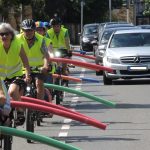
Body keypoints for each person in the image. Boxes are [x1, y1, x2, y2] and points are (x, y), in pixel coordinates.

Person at [0, 23, 31, 124]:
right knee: (2, 98)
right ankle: (5, 117)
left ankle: (20, 111)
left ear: (11, 35)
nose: (4, 36)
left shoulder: (17, 45)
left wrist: (27, 75)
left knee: (12, 92)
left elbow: (26, 63)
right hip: (1, 79)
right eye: (1, 34)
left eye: (6, 34)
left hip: (16, 76)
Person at [17, 19, 49, 101]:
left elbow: (46, 55)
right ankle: (20, 109)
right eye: (26, 30)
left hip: (38, 69)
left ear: (34, 30)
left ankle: (39, 106)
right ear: (22, 30)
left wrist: (45, 66)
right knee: (19, 87)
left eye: (30, 30)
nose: (28, 33)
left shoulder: (41, 40)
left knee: (39, 83)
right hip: (21, 69)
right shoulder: (16, 39)